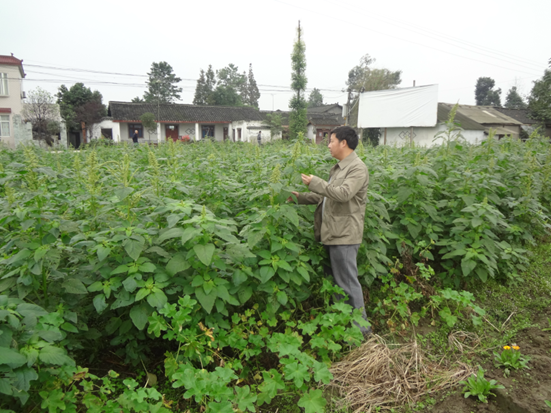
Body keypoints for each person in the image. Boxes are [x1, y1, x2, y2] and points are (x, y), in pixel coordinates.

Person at [288, 126, 371, 337]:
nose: (328, 145)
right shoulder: (340, 168)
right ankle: (344, 325)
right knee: (337, 283)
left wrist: (316, 183)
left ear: (343, 143)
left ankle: (363, 331)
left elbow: (343, 194)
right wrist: (299, 197)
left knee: (348, 282)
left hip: (344, 234)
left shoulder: (357, 169)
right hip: (333, 233)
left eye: (331, 141)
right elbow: (326, 196)